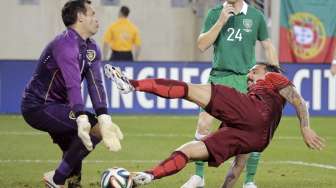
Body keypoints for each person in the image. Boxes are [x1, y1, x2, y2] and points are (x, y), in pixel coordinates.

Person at [104, 63, 325, 188]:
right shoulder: (258, 105)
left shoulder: (272, 78)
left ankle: (131, 85)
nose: (249, 75)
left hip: (255, 114)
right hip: (258, 139)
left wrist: (305, 126)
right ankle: (149, 176)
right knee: (188, 151)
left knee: (190, 90)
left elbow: (297, 98)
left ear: (267, 71)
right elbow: (237, 168)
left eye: (254, 71)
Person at [21, 1, 123, 187]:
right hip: (38, 106)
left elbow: (96, 85)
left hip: (59, 107)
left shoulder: (92, 48)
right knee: (92, 129)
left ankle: (73, 183)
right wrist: (81, 117)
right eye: (92, 13)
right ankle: (56, 179)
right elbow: (73, 85)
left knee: (74, 144)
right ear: (80, 17)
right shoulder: (64, 44)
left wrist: (104, 116)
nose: (96, 18)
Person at [189, 0, 279, 187]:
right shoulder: (215, 13)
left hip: (246, 79)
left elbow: (268, 45)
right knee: (204, 123)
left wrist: (274, 75)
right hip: (219, 76)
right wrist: (221, 21)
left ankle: (249, 181)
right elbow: (201, 45)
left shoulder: (256, 16)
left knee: (255, 130)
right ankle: (199, 176)